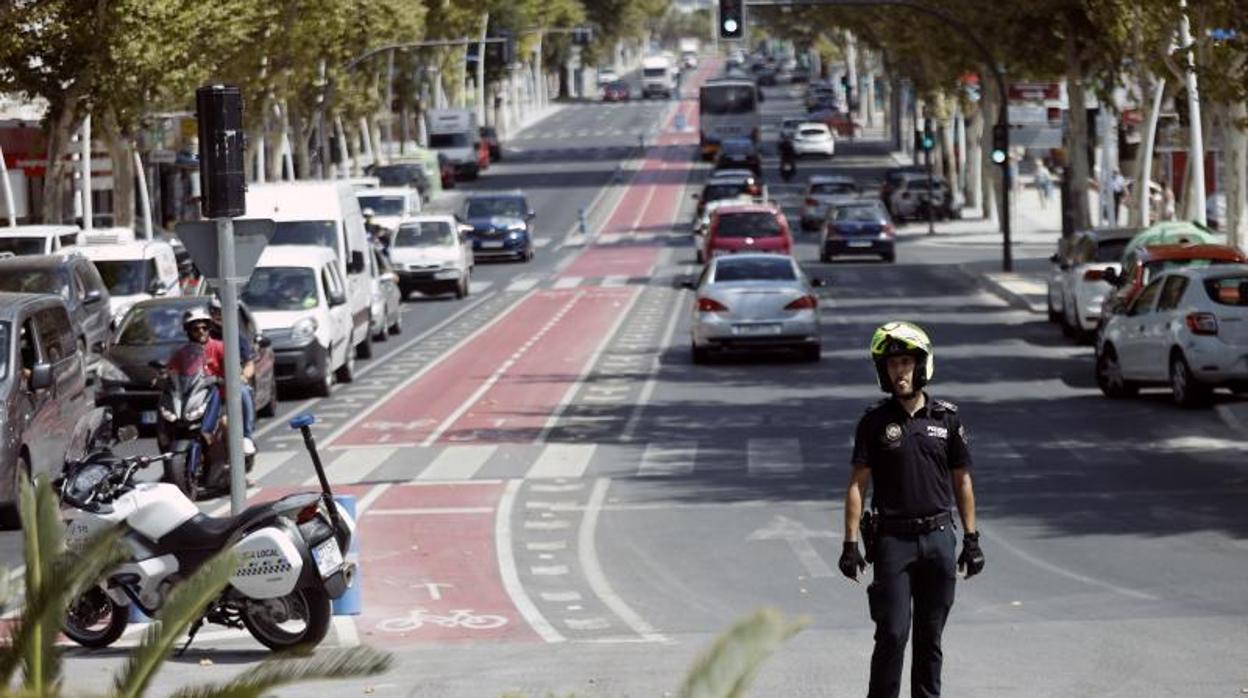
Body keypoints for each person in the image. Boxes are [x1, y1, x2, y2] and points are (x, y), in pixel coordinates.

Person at [839, 321, 984, 698]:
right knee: (892, 633)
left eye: (904, 362)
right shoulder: (874, 422)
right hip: (893, 542)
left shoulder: (947, 418)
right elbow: (858, 484)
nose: (898, 371)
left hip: (938, 540)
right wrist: (850, 544)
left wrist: (971, 539)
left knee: (930, 639)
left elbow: (962, 481)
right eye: (891, 365)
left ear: (920, 365)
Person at [167, 308, 225, 445]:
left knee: (214, 391)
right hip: (193, 398)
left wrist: (225, 379)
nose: (201, 332)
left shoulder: (219, 347)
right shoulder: (182, 352)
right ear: (188, 331)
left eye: (204, 328)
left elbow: (233, 370)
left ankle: (207, 431)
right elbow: (171, 371)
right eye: (196, 329)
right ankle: (165, 438)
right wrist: (162, 377)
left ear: (209, 329)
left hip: (219, 398)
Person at [209, 296, 257, 456]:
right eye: (215, 312)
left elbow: (249, 364)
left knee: (243, 391)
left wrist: (242, 377)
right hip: (206, 387)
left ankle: (247, 436)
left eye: (223, 312)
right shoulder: (203, 338)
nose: (219, 316)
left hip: (229, 386)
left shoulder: (237, 338)